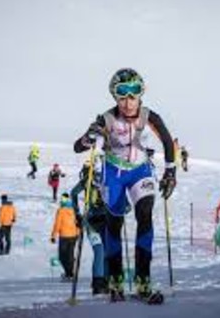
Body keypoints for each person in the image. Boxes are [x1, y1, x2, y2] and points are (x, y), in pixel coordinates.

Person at [73, 68, 176, 301]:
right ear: (114, 96)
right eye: (122, 95)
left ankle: (143, 279)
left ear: (141, 94)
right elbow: (77, 146)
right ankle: (116, 280)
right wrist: (89, 137)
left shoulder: (149, 116)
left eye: (134, 94)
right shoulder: (106, 118)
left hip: (141, 170)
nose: (129, 102)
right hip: (114, 173)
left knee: (145, 213)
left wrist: (171, 172)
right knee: (114, 222)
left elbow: (169, 142)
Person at [70, 162, 108, 295]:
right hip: (91, 221)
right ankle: (98, 283)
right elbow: (73, 193)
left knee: (106, 251)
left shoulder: (108, 178)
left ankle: (105, 281)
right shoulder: (87, 181)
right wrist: (77, 214)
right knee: (100, 250)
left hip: (106, 220)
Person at [50, 193, 80, 281]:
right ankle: (70, 273)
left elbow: (57, 224)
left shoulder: (61, 210)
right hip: (73, 236)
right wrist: (78, 233)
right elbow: (78, 223)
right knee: (70, 255)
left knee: (62, 256)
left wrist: (53, 236)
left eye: (62, 199)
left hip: (64, 236)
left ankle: (69, 273)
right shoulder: (74, 209)